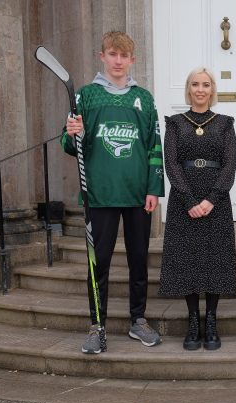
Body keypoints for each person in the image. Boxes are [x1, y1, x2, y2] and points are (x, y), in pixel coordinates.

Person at [62, 31, 165, 354]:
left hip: (137, 195)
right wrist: (72, 133)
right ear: (102, 56)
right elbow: (69, 146)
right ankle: (97, 326)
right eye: (112, 54)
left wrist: (153, 188)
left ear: (132, 60)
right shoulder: (86, 97)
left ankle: (138, 320)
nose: (118, 61)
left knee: (138, 260)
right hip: (99, 194)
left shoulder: (144, 99)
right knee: (99, 262)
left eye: (124, 56)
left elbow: (154, 146)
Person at [159, 67, 236, 351]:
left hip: (216, 201)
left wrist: (211, 199)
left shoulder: (225, 123)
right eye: (195, 84)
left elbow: (229, 165)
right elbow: (172, 163)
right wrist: (189, 200)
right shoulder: (176, 123)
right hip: (184, 201)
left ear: (212, 89)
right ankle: (194, 321)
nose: (200, 89)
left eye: (206, 84)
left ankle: (212, 321)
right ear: (188, 89)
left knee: (214, 260)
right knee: (189, 261)